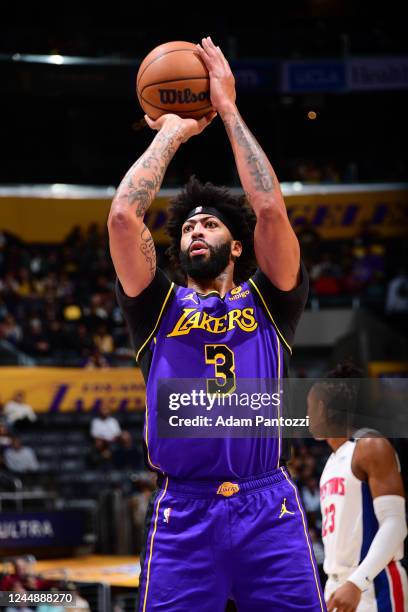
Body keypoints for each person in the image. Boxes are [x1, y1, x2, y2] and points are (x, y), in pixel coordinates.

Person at [109, 36, 324, 611]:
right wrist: (172, 134)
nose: (195, 230)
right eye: (186, 227)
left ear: (236, 246)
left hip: (268, 509)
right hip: (184, 511)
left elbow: (272, 210)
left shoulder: (271, 300)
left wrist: (226, 108)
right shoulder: (156, 306)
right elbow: (125, 217)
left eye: (209, 223)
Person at [307, 362, 408, 611]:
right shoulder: (331, 462)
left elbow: (395, 523)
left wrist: (357, 581)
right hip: (338, 585)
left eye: (309, 408)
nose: (307, 416)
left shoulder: (370, 445)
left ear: (322, 408)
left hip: (373, 583)